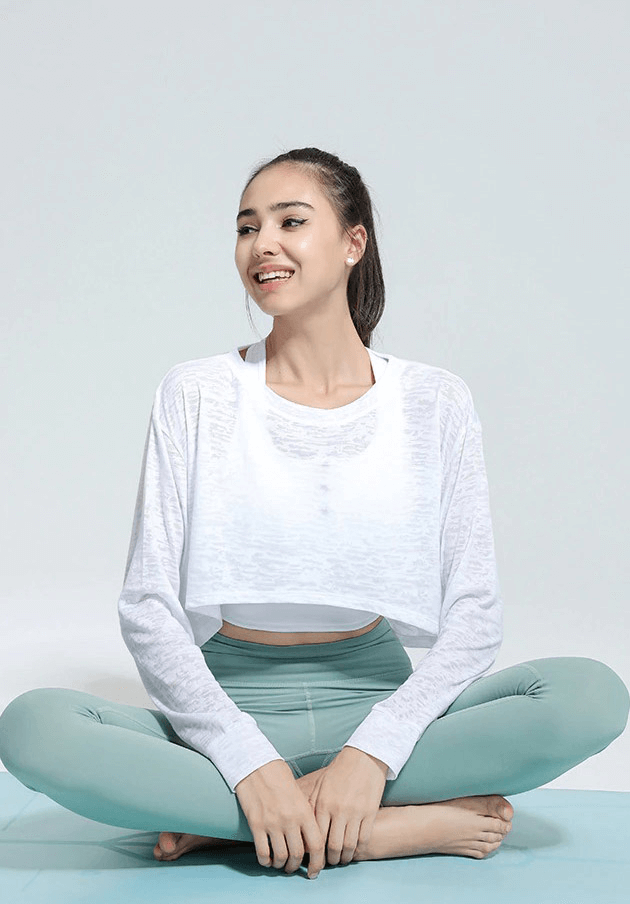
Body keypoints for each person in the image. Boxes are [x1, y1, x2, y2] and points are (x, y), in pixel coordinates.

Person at [0, 148, 628, 882]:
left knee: (589, 697)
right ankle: (378, 831)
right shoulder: (196, 393)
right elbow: (147, 604)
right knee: (34, 729)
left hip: (379, 697)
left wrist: (373, 750)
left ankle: (236, 825)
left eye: (290, 221)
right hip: (230, 701)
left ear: (352, 242)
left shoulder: (435, 401)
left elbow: (476, 611)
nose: (261, 244)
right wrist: (242, 756)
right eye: (246, 227)